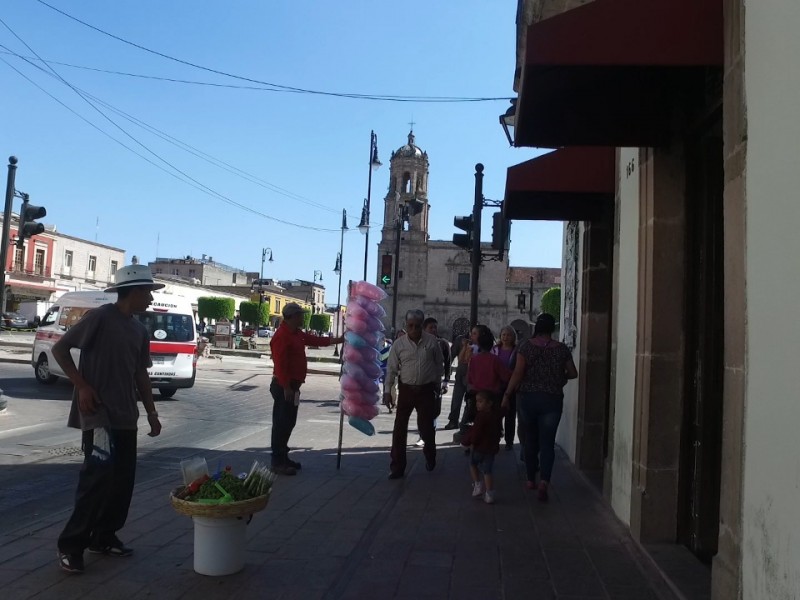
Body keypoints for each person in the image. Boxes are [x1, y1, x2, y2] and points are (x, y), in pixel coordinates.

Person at [53, 264, 164, 574]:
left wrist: (152, 413)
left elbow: (141, 373)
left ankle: (104, 536)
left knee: (122, 481)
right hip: (99, 415)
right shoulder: (101, 318)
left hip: (126, 416)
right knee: (97, 480)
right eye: (148, 292)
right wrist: (82, 386)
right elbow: (60, 349)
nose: (150, 299)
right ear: (135, 291)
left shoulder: (139, 330)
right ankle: (70, 546)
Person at [503, 313, 578, 502]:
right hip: (552, 400)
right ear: (552, 328)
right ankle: (544, 481)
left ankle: (530, 479)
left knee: (530, 440)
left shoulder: (526, 346)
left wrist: (507, 395)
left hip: (528, 399)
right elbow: (573, 373)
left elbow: (518, 373)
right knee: (547, 443)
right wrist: (558, 377)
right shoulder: (561, 349)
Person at [269, 302, 343, 475]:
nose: (303, 317)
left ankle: (284, 456)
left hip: (293, 386)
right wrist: (286, 386)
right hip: (283, 386)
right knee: (281, 423)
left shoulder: (297, 333)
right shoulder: (282, 336)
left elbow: (316, 340)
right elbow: (279, 364)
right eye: (301, 315)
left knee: (289, 422)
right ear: (293, 316)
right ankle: (277, 462)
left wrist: (338, 340)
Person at [384, 309, 444, 479]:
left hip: (426, 390)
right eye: (410, 326)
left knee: (426, 428)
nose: (414, 329)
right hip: (406, 390)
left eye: (417, 326)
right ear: (406, 325)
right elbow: (391, 369)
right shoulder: (399, 345)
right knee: (399, 429)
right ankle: (397, 466)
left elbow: (438, 364)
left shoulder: (432, 342)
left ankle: (430, 456)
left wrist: (437, 384)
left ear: (422, 326)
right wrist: (388, 391)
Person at [461, 391, 503, 504]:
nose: (477, 404)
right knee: (487, 471)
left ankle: (477, 484)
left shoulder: (481, 417)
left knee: (472, 464)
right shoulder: (496, 416)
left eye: (480, 401)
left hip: (479, 448)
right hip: (491, 449)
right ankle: (489, 493)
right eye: (477, 402)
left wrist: (468, 442)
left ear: (489, 403)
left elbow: (476, 433)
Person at [414, 317, 450, 446]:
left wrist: (446, 382)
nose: (434, 330)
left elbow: (447, 364)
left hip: (435, 382)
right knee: (422, 410)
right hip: (420, 381)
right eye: (431, 327)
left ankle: (429, 434)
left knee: (434, 410)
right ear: (424, 329)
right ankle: (422, 435)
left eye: (435, 327)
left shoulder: (443, 343)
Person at [492, 325, 519, 451]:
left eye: (508, 335)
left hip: (511, 386)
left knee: (510, 415)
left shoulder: (517, 351)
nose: (505, 337)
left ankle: (509, 441)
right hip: (497, 386)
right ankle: (496, 437)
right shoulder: (495, 349)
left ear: (513, 337)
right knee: (496, 414)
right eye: (503, 334)